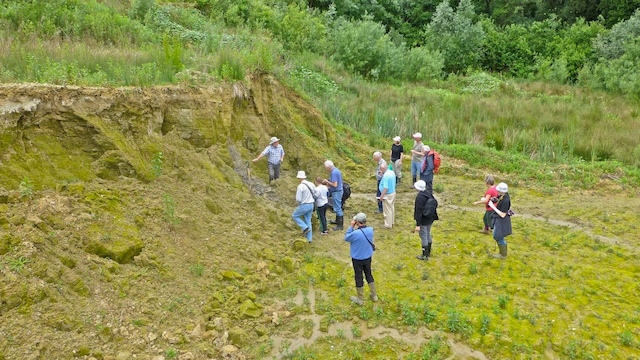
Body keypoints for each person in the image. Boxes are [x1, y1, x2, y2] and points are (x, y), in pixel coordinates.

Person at [344, 212, 377, 305]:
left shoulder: (355, 233)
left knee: (359, 277)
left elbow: (346, 237)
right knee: (369, 274)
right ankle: (374, 295)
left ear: (357, 222)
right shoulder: (370, 230)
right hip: (367, 257)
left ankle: (360, 299)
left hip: (357, 259)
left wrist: (351, 226)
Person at [413, 180, 439, 260]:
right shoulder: (428, 193)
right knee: (428, 233)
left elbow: (418, 211)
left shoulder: (420, 197)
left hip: (423, 220)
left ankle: (425, 255)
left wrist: (417, 224)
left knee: (423, 236)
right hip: (430, 218)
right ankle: (429, 251)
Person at [488, 182, 512, 259]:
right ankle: (502, 253)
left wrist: (492, 206)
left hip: (502, 220)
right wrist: (493, 199)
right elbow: (498, 198)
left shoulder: (506, 200)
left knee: (499, 236)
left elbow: (503, 214)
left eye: (498, 191)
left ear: (502, 191)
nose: (497, 192)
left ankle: (503, 255)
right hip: (498, 219)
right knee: (497, 235)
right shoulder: (503, 195)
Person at [292, 171, 316, 242]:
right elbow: (315, 192)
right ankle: (309, 239)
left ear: (299, 177)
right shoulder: (311, 184)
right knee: (308, 220)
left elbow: (298, 199)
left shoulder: (300, 186)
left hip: (304, 205)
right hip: (311, 204)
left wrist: (299, 203)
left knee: (295, 215)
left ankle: (305, 227)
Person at [322, 160, 344, 230]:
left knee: (337, 208)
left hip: (336, 192)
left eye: (326, 168)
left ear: (329, 167)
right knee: (337, 207)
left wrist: (327, 182)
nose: (326, 169)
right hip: (338, 191)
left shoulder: (334, 172)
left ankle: (340, 225)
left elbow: (335, 184)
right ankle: (337, 221)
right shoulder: (336, 170)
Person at [378, 162, 396, 228]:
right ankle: (392, 222)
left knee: (387, 210)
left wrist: (381, 196)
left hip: (387, 195)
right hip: (393, 192)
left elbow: (386, 187)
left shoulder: (386, 176)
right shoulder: (391, 172)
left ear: (383, 169)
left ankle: (388, 224)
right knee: (391, 208)